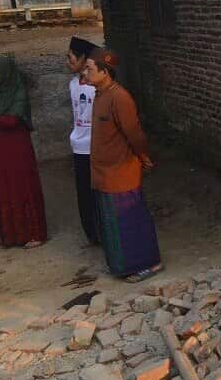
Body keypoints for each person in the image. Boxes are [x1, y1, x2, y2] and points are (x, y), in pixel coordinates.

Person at [84, 48, 163, 282]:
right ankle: (122, 265)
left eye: (89, 68)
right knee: (112, 224)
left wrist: (143, 157)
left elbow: (134, 135)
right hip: (103, 173)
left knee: (131, 220)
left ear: (105, 72)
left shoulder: (120, 98)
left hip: (121, 173)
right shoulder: (100, 95)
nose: (85, 72)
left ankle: (149, 263)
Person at [0, 55, 48, 248]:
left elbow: (12, 121)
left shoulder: (17, 92)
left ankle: (33, 233)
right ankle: (9, 235)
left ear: (4, 73)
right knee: (1, 187)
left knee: (22, 186)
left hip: (17, 148)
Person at [68, 36, 100, 245]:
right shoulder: (72, 84)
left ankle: (103, 231)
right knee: (84, 193)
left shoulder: (97, 87)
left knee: (98, 192)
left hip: (95, 147)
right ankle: (91, 233)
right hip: (78, 147)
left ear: (83, 59)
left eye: (71, 58)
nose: (68, 62)